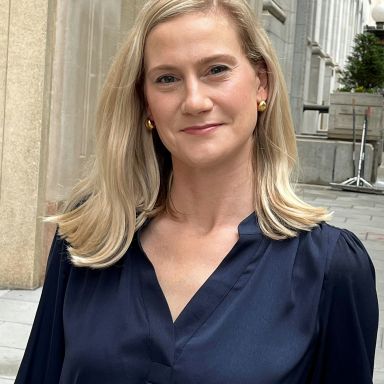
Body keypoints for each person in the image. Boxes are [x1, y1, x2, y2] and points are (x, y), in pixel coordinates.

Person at [16, 0, 378, 383]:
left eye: (216, 70)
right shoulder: (89, 236)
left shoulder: (329, 269)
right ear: (146, 105)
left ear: (262, 83)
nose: (194, 101)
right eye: (167, 79)